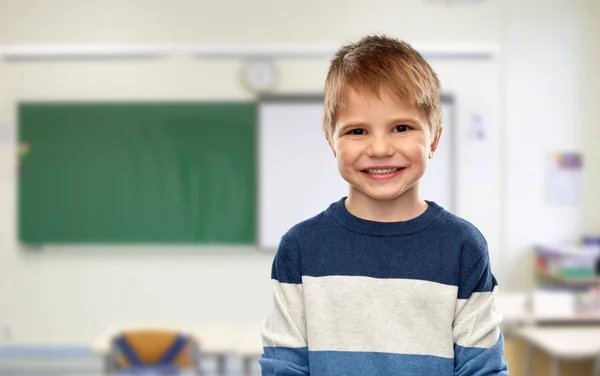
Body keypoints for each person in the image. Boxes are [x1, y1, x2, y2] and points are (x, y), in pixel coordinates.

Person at [258, 34, 509, 376]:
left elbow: (482, 368)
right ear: (331, 140)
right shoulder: (300, 248)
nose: (379, 148)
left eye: (401, 127)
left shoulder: (463, 247)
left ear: (434, 137)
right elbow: (284, 366)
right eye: (357, 131)